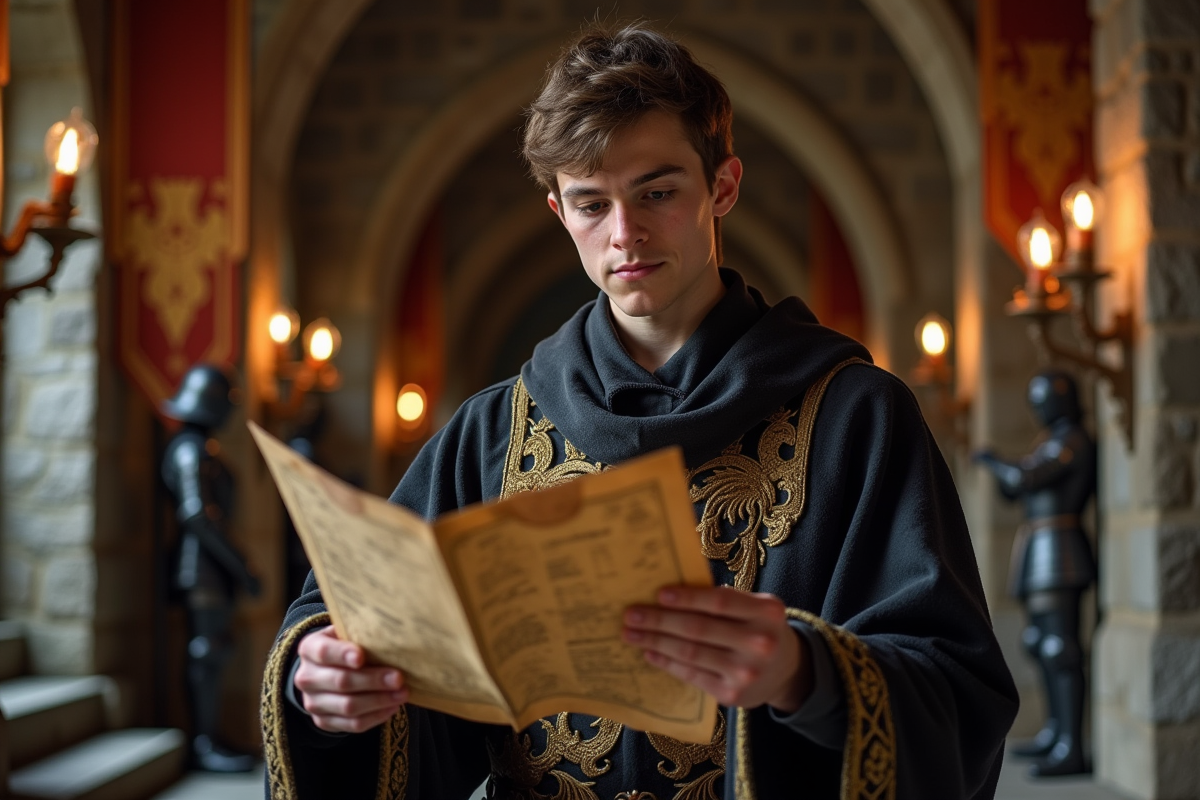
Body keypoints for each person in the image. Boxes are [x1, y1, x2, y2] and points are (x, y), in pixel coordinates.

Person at [262, 22, 1018, 799]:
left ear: (722, 186)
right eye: (593, 204)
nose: (625, 234)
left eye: (658, 192)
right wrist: (320, 674)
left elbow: (958, 692)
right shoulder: (490, 434)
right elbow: (354, 625)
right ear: (560, 213)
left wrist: (806, 673)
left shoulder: (860, 417)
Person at [975, 370, 1096, 777]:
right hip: (1040, 547)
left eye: (1042, 398)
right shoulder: (1052, 441)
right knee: (1038, 642)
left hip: (1060, 549)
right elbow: (1020, 488)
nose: (1037, 407)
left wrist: (993, 460)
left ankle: (1071, 745)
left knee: (1059, 648)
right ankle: (1055, 731)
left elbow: (1028, 476)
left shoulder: (1071, 440)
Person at [161, 363, 262, 772]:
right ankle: (203, 743)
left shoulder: (201, 447)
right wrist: (240, 565)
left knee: (216, 650)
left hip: (208, 566)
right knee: (208, 653)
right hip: (199, 566)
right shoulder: (190, 449)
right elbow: (198, 514)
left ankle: (212, 736)